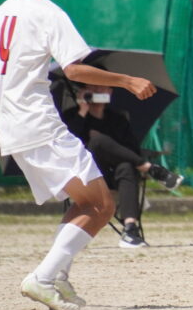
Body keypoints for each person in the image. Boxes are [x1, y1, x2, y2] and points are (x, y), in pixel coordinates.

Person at [0, 0, 157, 310]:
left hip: (11, 125)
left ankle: (58, 275)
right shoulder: (48, 12)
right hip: (39, 124)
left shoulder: (0, 13)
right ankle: (43, 278)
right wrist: (128, 81)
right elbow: (76, 69)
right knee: (101, 203)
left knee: (84, 201)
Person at [62, 82, 184, 248]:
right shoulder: (73, 117)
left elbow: (132, 149)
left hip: (115, 176)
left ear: (110, 92)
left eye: (101, 87)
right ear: (84, 91)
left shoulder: (117, 118)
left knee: (126, 166)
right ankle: (151, 169)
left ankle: (130, 229)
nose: (98, 91)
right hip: (86, 176)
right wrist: (82, 111)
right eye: (93, 88)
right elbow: (67, 144)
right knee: (96, 139)